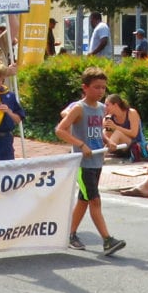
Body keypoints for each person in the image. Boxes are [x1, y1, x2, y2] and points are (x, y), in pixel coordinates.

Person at [55, 67, 126, 255]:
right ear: (85, 88)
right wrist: (80, 145)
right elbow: (60, 130)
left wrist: (108, 141)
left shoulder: (102, 109)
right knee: (94, 200)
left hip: (96, 161)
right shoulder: (79, 108)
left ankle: (69, 234)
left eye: (103, 88)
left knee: (84, 200)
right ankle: (107, 240)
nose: (101, 91)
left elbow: (97, 132)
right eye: (96, 87)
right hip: (83, 163)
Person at [103, 93, 144, 159]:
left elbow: (134, 134)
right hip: (118, 148)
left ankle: (100, 156)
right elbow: (105, 135)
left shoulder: (131, 113)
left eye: (107, 105)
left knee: (117, 133)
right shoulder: (110, 117)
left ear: (115, 105)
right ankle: (94, 153)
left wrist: (116, 127)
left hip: (135, 146)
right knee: (105, 131)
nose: (105, 107)